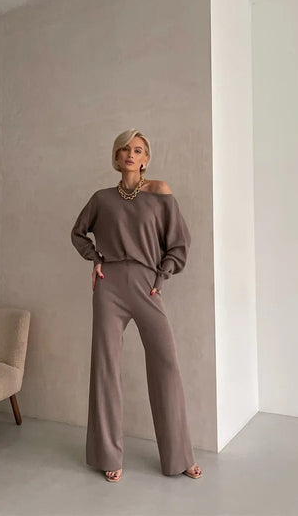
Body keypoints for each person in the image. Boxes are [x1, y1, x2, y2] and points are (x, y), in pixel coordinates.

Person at [71, 129, 202, 483]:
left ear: (146, 159)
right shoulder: (101, 199)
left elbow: (178, 243)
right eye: (125, 149)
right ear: (116, 157)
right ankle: (108, 454)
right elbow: (78, 233)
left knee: (166, 364)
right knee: (106, 367)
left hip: (147, 284)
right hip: (109, 285)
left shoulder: (160, 193)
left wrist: (162, 275)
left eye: (139, 150)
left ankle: (179, 456)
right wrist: (95, 258)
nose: (131, 154)